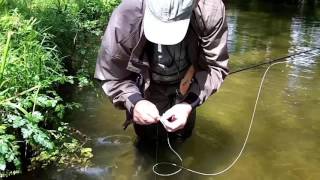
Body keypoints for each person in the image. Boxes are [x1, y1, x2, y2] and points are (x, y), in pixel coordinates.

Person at [94, 0, 229, 141]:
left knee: (184, 136)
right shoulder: (126, 16)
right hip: (149, 87)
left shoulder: (210, 11)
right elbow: (111, 73)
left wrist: (189, 104)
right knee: (146, 141)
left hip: (187, 84)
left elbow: (214, 66)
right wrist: (135, 102)